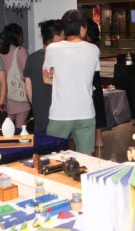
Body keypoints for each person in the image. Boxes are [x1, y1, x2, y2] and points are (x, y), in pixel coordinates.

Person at [43, 10, 100, 154]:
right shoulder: (93, 50)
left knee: (53, 157)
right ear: (82, 28)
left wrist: (59, 80)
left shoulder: (52, 48)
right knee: (86, 159)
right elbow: (88, 77)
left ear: (63, 29)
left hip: (61, 113)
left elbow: (46, 78)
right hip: (85, 113)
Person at [23, 20, 64, 136]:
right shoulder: (61, 58)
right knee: (59, 147)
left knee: (41, 146)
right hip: (58, 117)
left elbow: (28, 88)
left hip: (39, 116)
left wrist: (37, 106)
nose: (64, 39)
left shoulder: (31, 58)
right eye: (63, 35)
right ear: (56, 37)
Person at [0, 23, 30, 128]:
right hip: (19, 94)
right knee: (20, 127)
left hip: (5, 96)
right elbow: (27, 72)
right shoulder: (20, 51)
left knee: (6, 128)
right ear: (17, 36)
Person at [86, 20, 107, 148]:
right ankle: (99, 139)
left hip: (90, 79)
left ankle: (97, 139)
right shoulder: (95, 47)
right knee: (97, 107)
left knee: (94, 107)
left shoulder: (90, 48)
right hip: (95, 79)